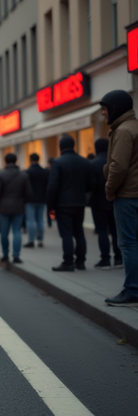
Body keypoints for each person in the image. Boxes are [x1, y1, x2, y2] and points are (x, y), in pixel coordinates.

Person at [102, 90, 138, 306]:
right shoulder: (134, 126)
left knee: (128, 244)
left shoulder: (123, 131)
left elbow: (119, 166)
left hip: (127, 195)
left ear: (115, 108)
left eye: (105, 109)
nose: (104, 114)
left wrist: (109, 188)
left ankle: (132, 290)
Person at [47, 135, 94, 272]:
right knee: (79, 232)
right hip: (79, 202)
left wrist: (50, 206)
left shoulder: (58, 163)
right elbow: (91, 184)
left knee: (67, 233)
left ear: (60, 147)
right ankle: (80, 261)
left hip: (63, 204)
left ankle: (68, 262)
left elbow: (52, 186)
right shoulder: (84, 162)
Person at [0, 153, 33, 264]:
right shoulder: (23, 175)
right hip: (18, 207)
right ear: (16, 161)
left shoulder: (1, 174)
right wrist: (23, 202)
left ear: (5, 161)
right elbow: (29, 193)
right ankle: (16, 255)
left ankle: (5, 254)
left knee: (4, 232)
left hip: (3, 207)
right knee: (17, 231)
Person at [90, 138, 122, 270]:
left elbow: (90, 184)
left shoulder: (93, 164)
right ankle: (119, 259)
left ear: (96, 148)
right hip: (115, 200)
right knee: (115, 231)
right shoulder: (115, 161)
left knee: (102, 231)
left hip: (98, 202)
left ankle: (105, 259)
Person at [24, 153, 49, 248]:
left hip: (30, 200)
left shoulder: (28, 172)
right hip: (42, 199)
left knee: (30, 221)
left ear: (30, 160)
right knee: (40, 220)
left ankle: (31, 240)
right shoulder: (44, 172)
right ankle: (40, 240)